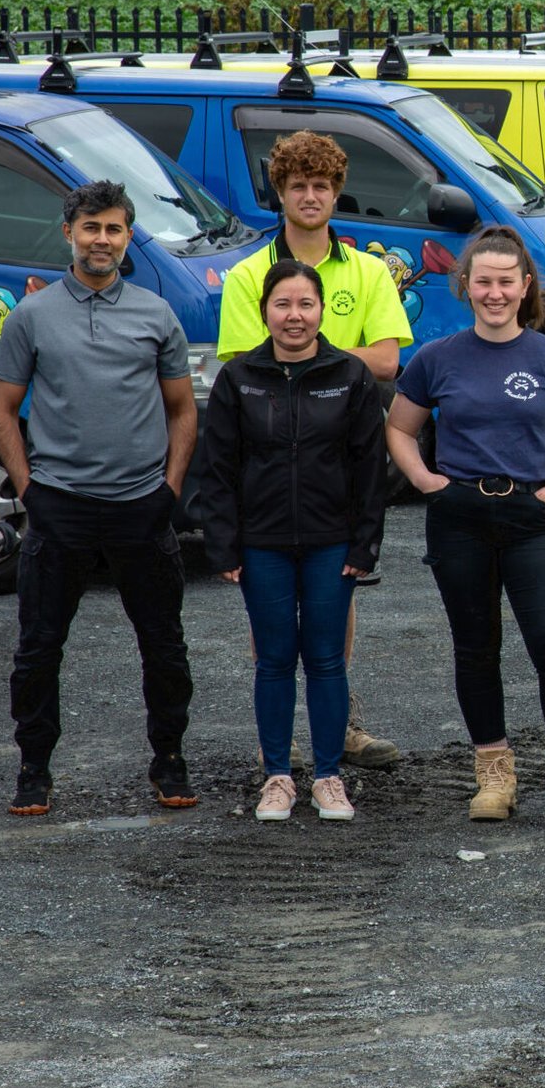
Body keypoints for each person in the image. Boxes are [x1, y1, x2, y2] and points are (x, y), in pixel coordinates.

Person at [387, 228, 545, 831]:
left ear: (525, 285)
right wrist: (426, 481)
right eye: (482, 281)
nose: (494, 292)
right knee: (476, 647)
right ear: (465, 286)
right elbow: (400, 429)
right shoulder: (437, 357)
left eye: (506, 281)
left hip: (533, 518)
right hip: (459, 518)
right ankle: (494, 777)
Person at [0, 181, 199, 818]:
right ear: (68, 234)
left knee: (163, 646)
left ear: (128, 236)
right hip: (60, 506)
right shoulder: (32, 316)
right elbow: (1, 411)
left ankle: (169, 761)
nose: (101, 240)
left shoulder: (155, 314)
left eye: (113, 229)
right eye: (91, 228)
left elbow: (183, 410)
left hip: (141, 505)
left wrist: (168, 489)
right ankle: (34, 769)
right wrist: (29, 491)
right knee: (38, 648)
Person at [216, 130, 416, 771]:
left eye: (321, 186)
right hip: (268, 460)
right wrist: (330, 364)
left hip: (339, 452)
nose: (310, 197)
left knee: (339, 595)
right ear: (279, 193)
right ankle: (276, 733)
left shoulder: (367, 269)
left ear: (336, 193)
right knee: (270, 611)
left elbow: (387, 361)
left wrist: (314, 360)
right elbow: (246, 367)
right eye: (297, 185)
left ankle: (343, 721)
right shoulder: (248, 274)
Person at [191, 260, 390, 823]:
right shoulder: (239, 378)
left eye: (305, 304)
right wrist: (223, 545)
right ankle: (277, 777)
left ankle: (329, 777)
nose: (295, 316)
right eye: (283, 305)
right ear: (265, 313)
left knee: (327, 660)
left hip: (333, 543)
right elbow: (219, 469)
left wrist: (364, 546)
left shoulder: (350, 376)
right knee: (274, 661)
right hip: (262, 545)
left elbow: (370, 469)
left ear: (322, 310)